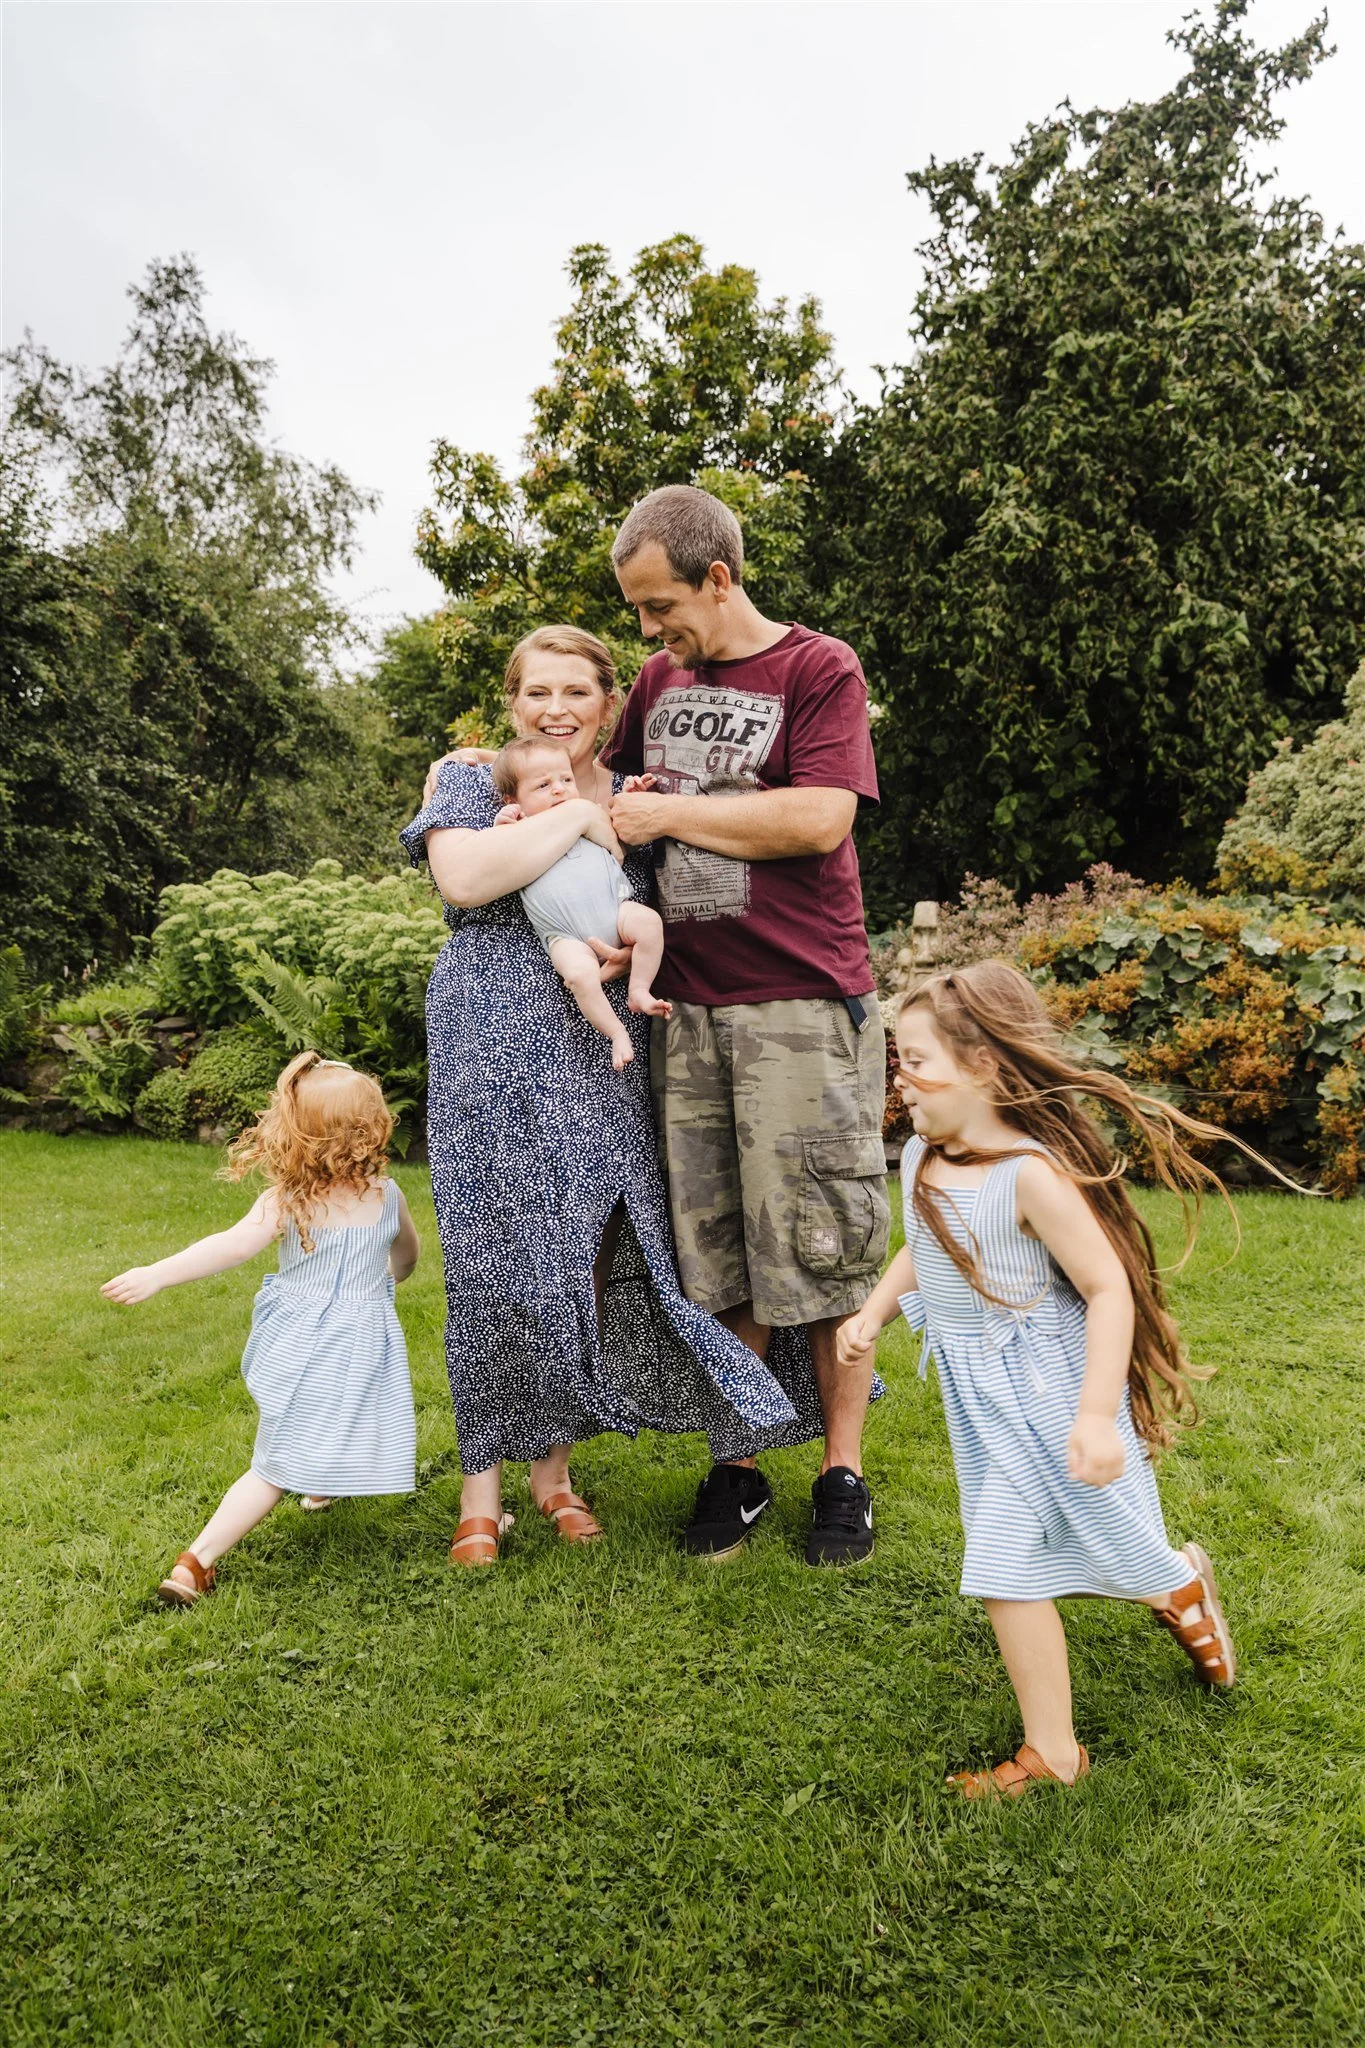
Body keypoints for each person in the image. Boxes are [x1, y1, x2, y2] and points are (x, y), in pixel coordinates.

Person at [400, 624, 826, 1567]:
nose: (554, 710)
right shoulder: (474, 779)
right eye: (535, 693)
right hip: (488, 1032)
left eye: (575, 693)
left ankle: (552, 1474)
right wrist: (576, 817)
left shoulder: (642, 793)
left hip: (601, 1044)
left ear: (609, 702)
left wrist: (636, 943)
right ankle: (480, 1487)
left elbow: (670, 904)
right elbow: (465, 879)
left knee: (586, 1246)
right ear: (511, 702)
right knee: (491, 1252)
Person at [836, 962, 1285, 1796]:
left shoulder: (1029, 1175)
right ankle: (1171, 1591)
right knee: (1056, 1547)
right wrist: (873, 1312)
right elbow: (927, 1248)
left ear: (983, 1068)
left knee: (1023, 1558)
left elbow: (1108, 1288)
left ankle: (1060, 1745)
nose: (900, 1078)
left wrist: (1093, 1417)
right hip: (981, 1396)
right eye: (898, 1060)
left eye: (916, 1061)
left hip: (1047, 1388)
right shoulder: (922, 1156)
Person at [602, 484, 890, 1566]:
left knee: (822, 1242)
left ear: (718, 578)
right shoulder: (657, 681)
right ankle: (740, 1462)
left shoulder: (819, 668)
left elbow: (820, 816)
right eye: (637, 610)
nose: (649, 629)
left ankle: (841, 1473)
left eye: (660, 605)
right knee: (716, 1252)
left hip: (802, 1005)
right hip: (689, 1008)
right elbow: (605, 792)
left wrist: (671, 811)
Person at [101, 1052, 420, 1606]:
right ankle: (195, 1562)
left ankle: (316, 1483)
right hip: (358, 1340)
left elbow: (231, 1246)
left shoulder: (287, 1200)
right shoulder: (388, 1196)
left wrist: (158, 1274)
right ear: (371, 1130)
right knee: (275, 1464)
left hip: (299, 1338)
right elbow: (408, 1257)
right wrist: (382, 1284)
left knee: (318, 1420)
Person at [489, 736, 671, 1071]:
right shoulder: (521, 830)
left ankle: (639, 990)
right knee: (579, 975)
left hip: (616, 912)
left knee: (650, 923)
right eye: (543, 785)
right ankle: (616, 1032)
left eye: (566, 779)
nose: (559, 789)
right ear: (513, 799)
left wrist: (629, 798)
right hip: (566, 936)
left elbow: (621, 835)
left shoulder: (587, 816)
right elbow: (498, 854)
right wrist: (505, 822)